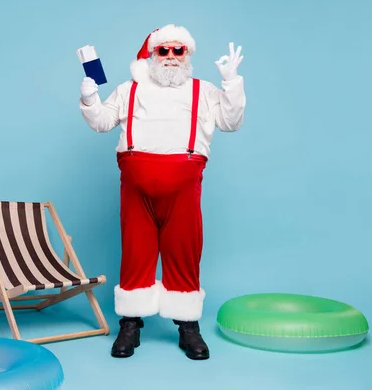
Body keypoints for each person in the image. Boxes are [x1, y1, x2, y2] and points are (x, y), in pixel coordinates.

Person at [78, 23, 246, 360]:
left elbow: (231, 121)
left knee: (184, 251)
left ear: (188, 55)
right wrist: (89, 96)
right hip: (136, 188)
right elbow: (101, 122)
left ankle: (188, 328)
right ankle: (130, 324)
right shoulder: (130, 89)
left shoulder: (205, 90)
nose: (170, 56)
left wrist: (231, 83)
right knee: (135, 252)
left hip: (183, 188)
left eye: (178, 50)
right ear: (152, 55)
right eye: (163, 50)